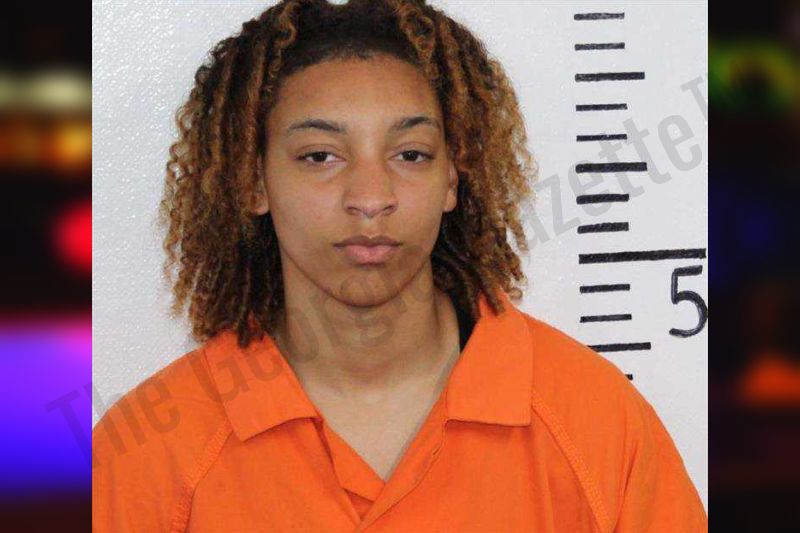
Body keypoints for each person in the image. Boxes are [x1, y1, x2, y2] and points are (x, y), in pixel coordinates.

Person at [92, 0, 708, 531]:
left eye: (411, 154)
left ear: (452, 178)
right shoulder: (146, 455)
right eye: (320, 156)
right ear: (254, 181)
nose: (371, 197)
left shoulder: (594, 421)